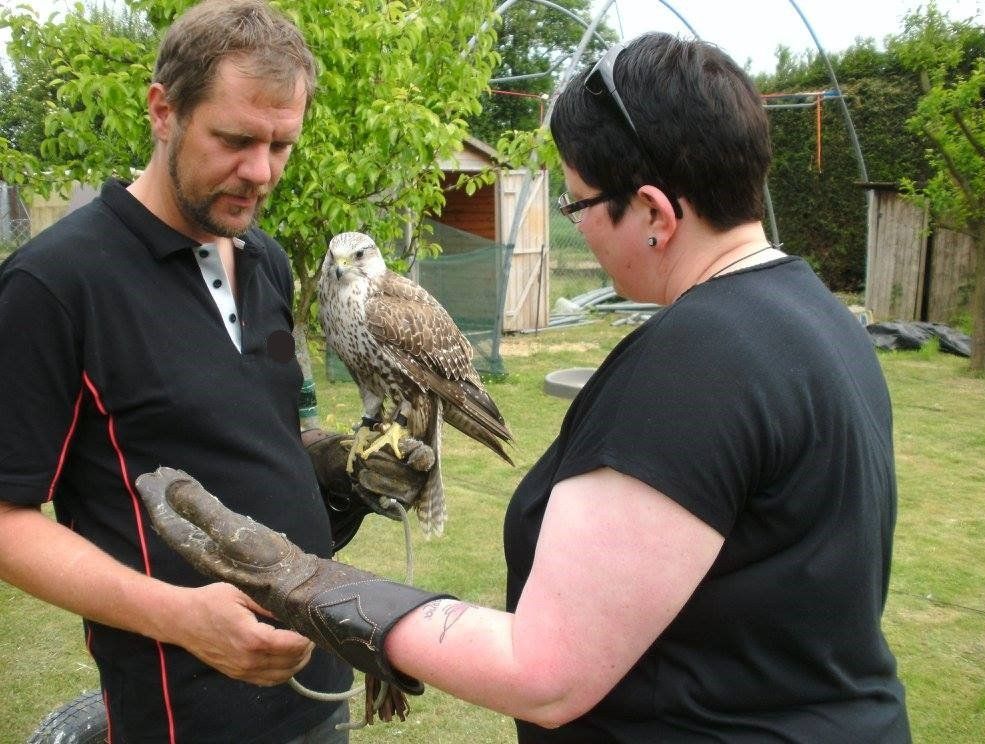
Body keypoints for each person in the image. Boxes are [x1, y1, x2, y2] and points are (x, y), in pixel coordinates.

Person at [134, 32, 912, 742]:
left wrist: (312, 585)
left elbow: (545, 672)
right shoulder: (820, 319)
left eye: (576, 204)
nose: (579, 229)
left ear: (652, 213)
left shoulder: (700, 358)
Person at [0, 2, 429, 741]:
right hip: (185, 707)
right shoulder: (54, 285)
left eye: (280, 145)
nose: (260, 172)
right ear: (163, 111)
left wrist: (339, 466)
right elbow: (7, 521)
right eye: (234, 139)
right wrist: (180, 618)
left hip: (316, 676)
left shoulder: (261, 259)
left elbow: (260, 429)